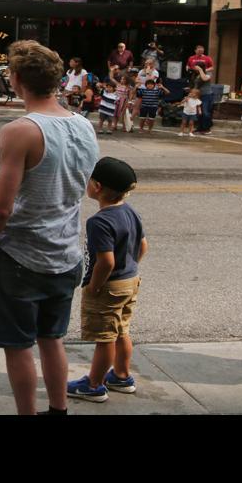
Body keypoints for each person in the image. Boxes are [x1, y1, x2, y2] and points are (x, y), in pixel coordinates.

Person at [0, 40, 101, 415]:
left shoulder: (21, 130)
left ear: (16, 81)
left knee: (19, 347)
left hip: (21, 256)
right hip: (66, 253)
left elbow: (1, 206)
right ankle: (58, 409)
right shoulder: (83, 125)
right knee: (52, 339)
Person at [66, 157, 148, 403]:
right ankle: (121, 376)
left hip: (108, 286)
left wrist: (95, 286)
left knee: (105, 338)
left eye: (90, 181)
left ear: (97, 187)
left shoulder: (99, 221)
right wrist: (130, 268)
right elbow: (143, 246)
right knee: (121, 330)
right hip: (130, 281)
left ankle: (94, 384)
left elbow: (107, 262)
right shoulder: (130, 212)